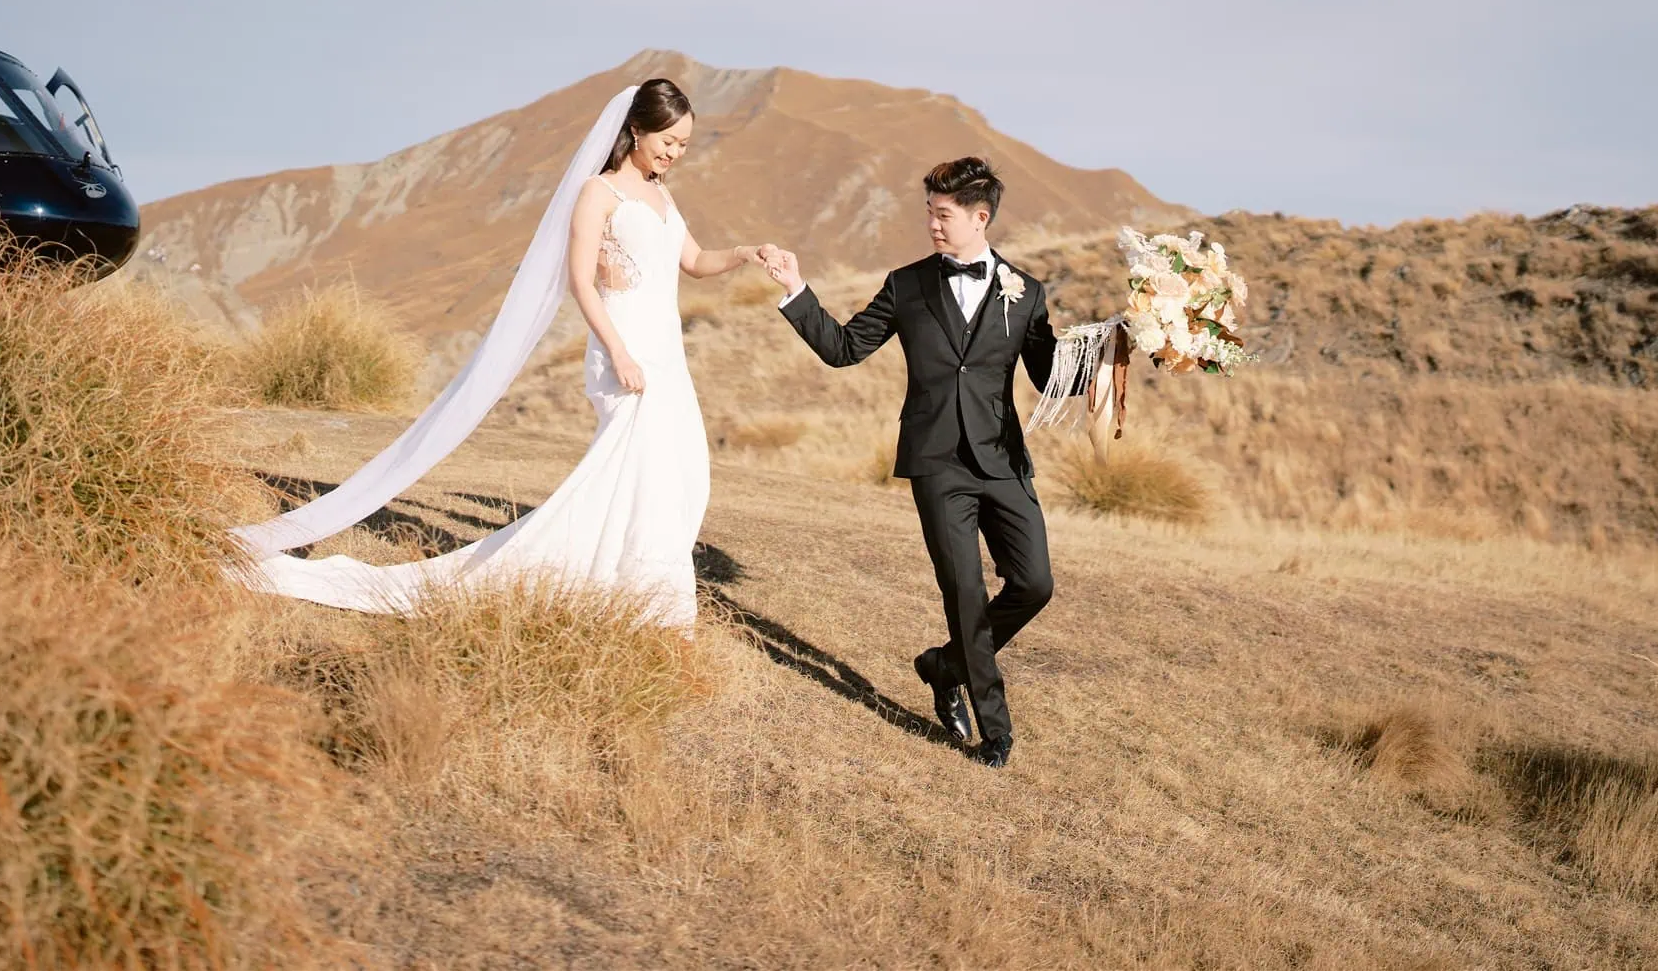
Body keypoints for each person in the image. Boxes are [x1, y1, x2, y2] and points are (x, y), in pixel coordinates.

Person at [229, 79, 769, 627]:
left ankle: (631, 588)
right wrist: (619, 352)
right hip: (623, 347)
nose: (675, 154)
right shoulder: (599, 193)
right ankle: (647, 603)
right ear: (636, 129)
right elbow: (583, 283)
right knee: (635, 470)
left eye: (683, 145)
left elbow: (696, 261)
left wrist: (746, 253)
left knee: (681, 470)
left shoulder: (663, 196)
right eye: (668, 141)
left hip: (666, 354)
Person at [764, 158, 1061, 768]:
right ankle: (995, 732)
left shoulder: (1026, 293)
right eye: (929, 211)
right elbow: (844, 349)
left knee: (1035, 584)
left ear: (980, 218)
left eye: (943, 214)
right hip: (937, 465)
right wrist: (796, 288)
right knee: (967, 594)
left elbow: (1049, 375)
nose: (932, 223)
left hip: (1003, 460)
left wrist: (1121, 347)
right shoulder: (907, 284)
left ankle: (943, 665)